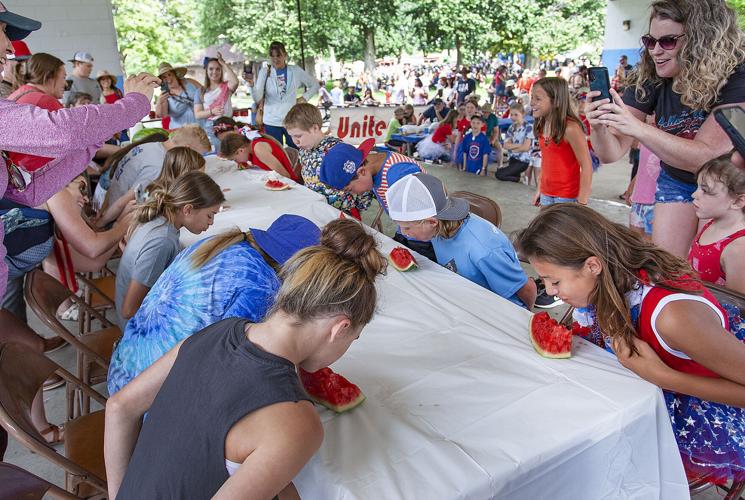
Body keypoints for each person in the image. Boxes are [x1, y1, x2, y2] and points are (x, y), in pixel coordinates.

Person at [104, 219, 387, 499]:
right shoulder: (299, 422)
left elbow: (119, 407)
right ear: (341, 328)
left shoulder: (217, 330)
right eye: (354, 339)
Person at [514, 203, 745, 485]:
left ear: (592, 265)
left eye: (555, 281)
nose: (550, 293)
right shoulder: (608, 279)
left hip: (702, 411)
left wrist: (663, 377)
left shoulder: (672, 317)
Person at [586, 0, 745, 258]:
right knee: (669, 269)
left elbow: (706, 156)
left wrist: (637, 128)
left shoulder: (737, 77)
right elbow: (610, 153)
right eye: (650, 41)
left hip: (729, 187)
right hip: (676, 178)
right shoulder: (652, 76)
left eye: (668, 41)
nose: (655, 51)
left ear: (701, 40)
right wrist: (599, 128)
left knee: (711, 270)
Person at [108, 214, 320, 395]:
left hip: (124, 369)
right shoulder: (263, 287)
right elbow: (235, 368)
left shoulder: (218, 243)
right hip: (151, 404)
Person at [387, 173, 536, 309]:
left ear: (432, 222)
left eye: (407, 228)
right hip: (465, 297)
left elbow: (528, 289)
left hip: (496, 309)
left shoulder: (483, 250)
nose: (404, 234)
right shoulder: (439, 227)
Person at [115, 171, 224, 328]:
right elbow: (129, 310)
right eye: (210, 215)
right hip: (137, 328)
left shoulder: (162, 221)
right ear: (187, 209)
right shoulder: (162, 241)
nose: (212, 222)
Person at [319, 140, 436, 260]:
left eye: (350, 190)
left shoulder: (399, 176)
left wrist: (413, 239)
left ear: (361, 172)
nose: (353, 194)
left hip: (424, 236)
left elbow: (423, 220)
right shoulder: (375, 164)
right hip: (406, 229)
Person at [101, 125, 211, 219]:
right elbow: (124, 202)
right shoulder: (158, 166)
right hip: (116, 217)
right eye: (197, 156)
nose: (196, 161)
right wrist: (101, 224)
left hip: (109, 206)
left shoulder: (150, 145)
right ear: (187, 149)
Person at [284, 102, 373, 217]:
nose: (295, 142)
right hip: (316, 209)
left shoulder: (339, 151)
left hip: (342, 214)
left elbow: (360, 178)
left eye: (298, 136)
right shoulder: (304, 151)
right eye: (291, 136)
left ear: (315, 128)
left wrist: (362, 204)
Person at [688, 152, 745, 294]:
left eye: (705, 190)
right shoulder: (712, 222)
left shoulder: (738, 249)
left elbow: (738, 305)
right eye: (698, 187)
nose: (694, 194)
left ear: (738, 202)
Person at [530, 77, 593, 206]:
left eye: (538, 99)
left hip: (567, 196)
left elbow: (586, 165)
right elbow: (546, 162)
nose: (531, 103)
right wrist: (540, 190)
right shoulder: (541, 126)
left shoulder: (571, 128)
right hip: (546, 193)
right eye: (532, 97)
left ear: (556, 101)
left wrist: (582, 202)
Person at [247, 41, 319, 147]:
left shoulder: (295, 70)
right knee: (276, 154)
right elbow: (257, 98)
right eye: (272, 56)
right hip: (271, 121)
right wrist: (251, 86)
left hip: (292, 120)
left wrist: (304, 98)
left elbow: (315, 85)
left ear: (285, 55)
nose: (276, 59)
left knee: (296, 152)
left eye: (279, 55)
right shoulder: (265, 71)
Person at [6, 53, 67, 172]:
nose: (65, 83)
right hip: (34, 176)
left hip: (16, 172)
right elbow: (77, 137)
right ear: (49, 76)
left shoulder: (20, 92)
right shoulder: (44, 101)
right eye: (63, 77)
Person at [195, 52, 239, 150]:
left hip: (228, 125)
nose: (214, 72)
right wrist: (212, 111)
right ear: (206, 71)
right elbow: (197, 114)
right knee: (217, 155)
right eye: (211, 69)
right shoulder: (201, 91)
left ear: (221, 71)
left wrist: (223, 63)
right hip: (212, 127)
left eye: (218, 69)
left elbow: (235, 81)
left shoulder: (226, 87)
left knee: (231, 153)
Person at [219, 130, 300, 182]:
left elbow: (285, 176)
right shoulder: (250, 149)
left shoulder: (259, 149)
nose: (237, 162)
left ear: (240, 151)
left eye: (235, 159)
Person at [155, 62, 202, 129]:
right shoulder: (165, 95)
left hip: (200, 128)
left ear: (175, 74)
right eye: (164, 77)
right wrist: (159, 102)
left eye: (169, 74)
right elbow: (162, 115)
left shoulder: (190, 82)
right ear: (162, 80)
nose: (168, 79)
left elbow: (206, 93)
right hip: (179, 132)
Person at [496, 102, 533, 182]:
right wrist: (520, 145)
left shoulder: (529, 127)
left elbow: (526, 148)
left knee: (499, 174)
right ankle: (516, 179)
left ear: (523, 114)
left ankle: (518, 179)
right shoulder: (511, 127)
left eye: (516, 115)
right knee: (509, 178)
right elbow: (505, 145)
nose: (513, 117)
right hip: (513, 158)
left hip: (523, 161)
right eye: (511, 115)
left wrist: (512, 148)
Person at [629, 145, 662, 237]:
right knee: (635, 242)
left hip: (659, 201)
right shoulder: (645, 134)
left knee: (653, 245)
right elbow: (643, 165)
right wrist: (632, 186)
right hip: (639, 200)